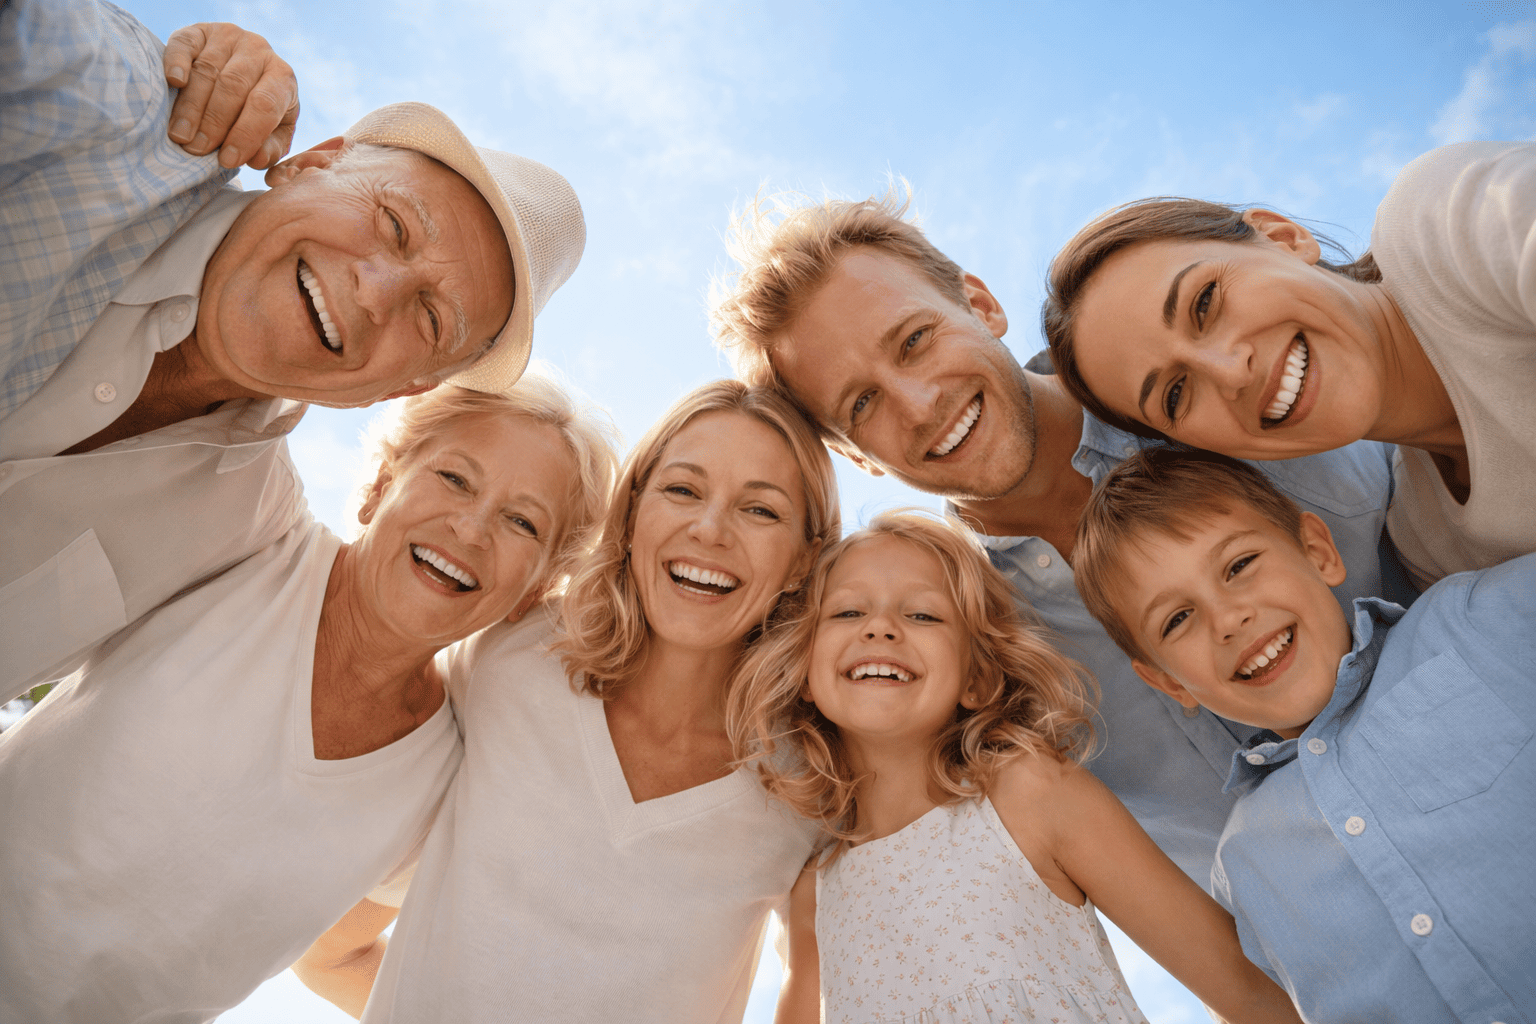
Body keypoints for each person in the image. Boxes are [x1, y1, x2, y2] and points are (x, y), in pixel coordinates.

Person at [709, 191, 1399, 888]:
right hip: (1312, 976)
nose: (919, 406)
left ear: (980, 305)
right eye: (862, 404)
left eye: (915, 341)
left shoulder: (1214, 387)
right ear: (857, 456)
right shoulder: (957, 642)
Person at [1, 0, 587, 700]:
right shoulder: (112, 117)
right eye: (394, 223)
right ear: (313, 162)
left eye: (429, 319)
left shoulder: (245, 537)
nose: (376, 293)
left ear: (406, 388)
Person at [0, 375, 618, 1023]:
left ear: (535, 588)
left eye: (522, 521)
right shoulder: (249, 539)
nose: (469, 527)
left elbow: (336, 959)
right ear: (383, 485)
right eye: (455, 478)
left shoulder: (438, 792)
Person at [294, 380, 841, 1022]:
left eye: (761, 511)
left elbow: (817, 988)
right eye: (683, 490)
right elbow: (328, 953)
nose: (710, 529)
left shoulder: (808, 784)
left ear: (805, 560)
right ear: (634, 513)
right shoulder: (510, 660)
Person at [732, 511, 1305, 1023]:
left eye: (923, 615)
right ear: (804, 672)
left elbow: (1245, 993)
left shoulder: (1031, 793)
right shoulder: (815, 887)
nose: (880, 627)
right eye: (848, 611)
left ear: (978, 678)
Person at [1071, 447, 1535, 1022]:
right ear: (1168, 682)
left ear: (1317, 551)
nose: (1228, 619)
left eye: (1238, 566)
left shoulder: (1479, 622)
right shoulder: (1243, 867)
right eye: (1177, 619)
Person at [1041, 142, 1536, 592]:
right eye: (1175, 394)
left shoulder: (1444, 224)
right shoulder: (1429, 542)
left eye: (1205, 302)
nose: (1232, 373)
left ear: (1283, 237)